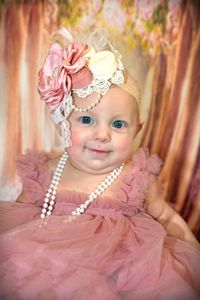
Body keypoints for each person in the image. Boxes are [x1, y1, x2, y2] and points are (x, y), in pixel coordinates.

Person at [0, 29, 199, 300]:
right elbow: (18, 219)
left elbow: (165, 217)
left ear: (136, 130)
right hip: (45, 269)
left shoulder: (134, 179)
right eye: (86, 120)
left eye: (118, 124)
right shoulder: (45, 173)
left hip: (118, 276)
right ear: (63, 123)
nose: (102, 134)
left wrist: (193, 250)